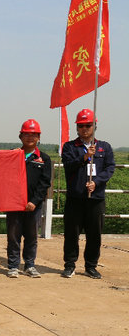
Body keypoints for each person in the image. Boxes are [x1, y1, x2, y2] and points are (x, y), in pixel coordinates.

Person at [61, 108, 115, 279]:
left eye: (88, 125)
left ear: (94, 126)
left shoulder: (104, 147)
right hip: (75, 198)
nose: (84, 129)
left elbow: (109, 168)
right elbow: (68, 165)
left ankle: (91, 266)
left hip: (96, 198)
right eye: (81, 125)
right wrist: (84, 157)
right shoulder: (69, 147)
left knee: (94, 235)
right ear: (77, 128)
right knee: (71, 233)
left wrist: (96, 182)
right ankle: (70, 265)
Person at [6, 119, 51, 278]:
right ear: (20, 136)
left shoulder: (44, 158)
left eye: (34, 135)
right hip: (14, 204)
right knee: (13, 236)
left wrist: (34, 201)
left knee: (31, 237)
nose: (30, 138)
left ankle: (29, 265)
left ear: (38, 137)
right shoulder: (12, 155)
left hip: (33, 205)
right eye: (26, 134)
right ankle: (13, 266)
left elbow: (44, 183)